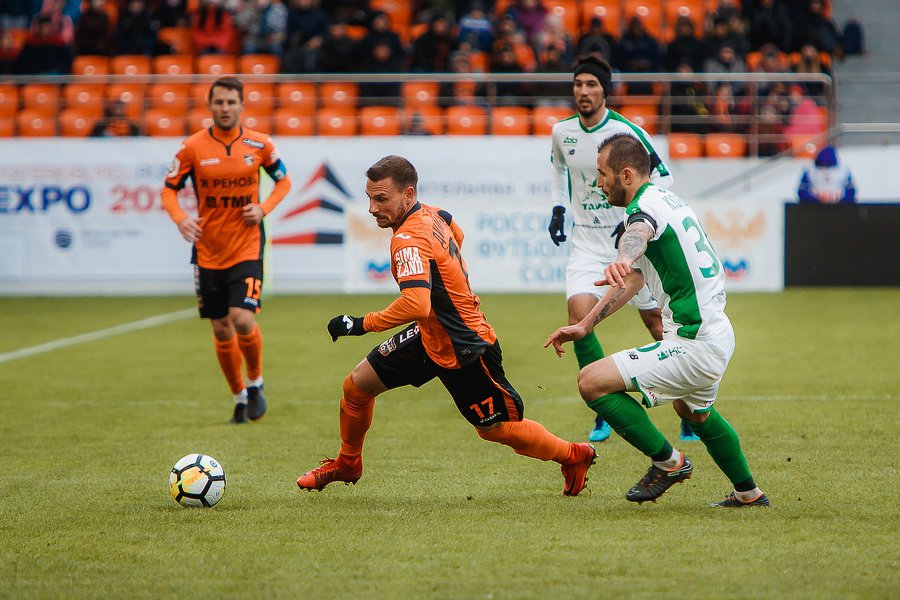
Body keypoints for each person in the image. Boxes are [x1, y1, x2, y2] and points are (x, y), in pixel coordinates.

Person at [296, 155, 596, 495]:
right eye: (369, 198)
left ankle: (574, 455)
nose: (372, 208)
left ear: (408, 194)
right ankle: (348, 463)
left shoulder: (407, 239)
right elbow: (456, 231)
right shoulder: (434, 213)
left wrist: (359, 324)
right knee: (356, 387)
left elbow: (416, 304)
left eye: (381, 199)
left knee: (496, 429)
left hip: (465, 347)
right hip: (429, 336)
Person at [545, 133, 769, 508]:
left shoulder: (645, 209)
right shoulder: (667, 199)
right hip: (715, 334)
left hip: (694, 344)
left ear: (626, 175)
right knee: (694, 413)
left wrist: (622, 256)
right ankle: (749, 494)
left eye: (602, 174)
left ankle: (669, 464)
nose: (597, 183)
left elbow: (638, 232)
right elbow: (635, 278)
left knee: (591, 382)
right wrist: (587, 324)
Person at [547, 55, 697, 443]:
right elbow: (558, 171)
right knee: (579, 315)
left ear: (605, 90)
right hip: (586, 241)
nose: (583, 91)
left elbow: (663, 177)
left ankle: (689, 409)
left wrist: (634, 217)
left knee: (657, 325)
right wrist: (559, 208)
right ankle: (603, 408)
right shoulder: (561, 132)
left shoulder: (627, 132)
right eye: (578, 84)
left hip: (629, 243)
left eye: (591, 84)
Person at [160, 76, 292, 424]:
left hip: (247, 246)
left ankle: (256, 382)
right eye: (219, 102)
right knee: (221, 328)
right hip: (208, 250)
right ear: (210, 105)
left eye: (231, 102)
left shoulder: (260, 144)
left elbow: (284, 181)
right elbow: (168, 190)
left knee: (242, 318)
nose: (225, 108)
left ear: (241, 105)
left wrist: (263, 208)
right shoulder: (191, 148)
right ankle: (238, 397)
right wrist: (180, 219)